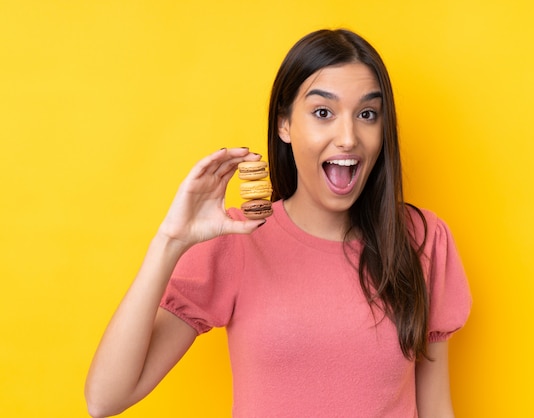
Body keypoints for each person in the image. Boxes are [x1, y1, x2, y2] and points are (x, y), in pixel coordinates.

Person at [85, 28, 471, 418]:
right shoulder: (238, 239)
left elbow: (436, 408)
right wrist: (170, 239)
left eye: (367, 114)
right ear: (284, 124)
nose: (349, 137)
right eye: (323, 113)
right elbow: (105, 399)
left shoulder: (422, 240)